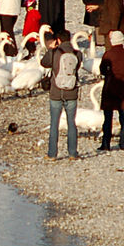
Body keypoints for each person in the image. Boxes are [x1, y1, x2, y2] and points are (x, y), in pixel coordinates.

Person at [41, 30, 82, 160]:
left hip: (56, 92)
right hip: (72, 92)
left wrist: (51, 49)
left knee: (54, 123)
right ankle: (72, 153)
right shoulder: (77, 54)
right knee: (71, 123)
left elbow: (44, 63)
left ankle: (52, 154)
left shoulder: (54, 53)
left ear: (58, 40)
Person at [99, 31, 124, 150]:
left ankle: (106, 143)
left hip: (110, 85)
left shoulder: (108, 54)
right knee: (123, 115)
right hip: (123, 86)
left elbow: (102, 70)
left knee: (108, 116)